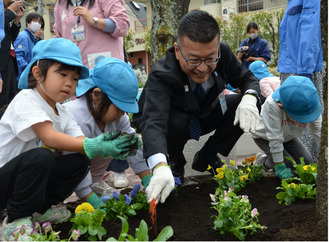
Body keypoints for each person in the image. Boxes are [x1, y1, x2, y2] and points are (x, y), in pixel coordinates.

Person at [0, 38, 140, 241]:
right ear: (38, 74)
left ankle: (40, 209)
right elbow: (49, 137)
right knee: (42, 156)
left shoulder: (63, 111)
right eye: (62, 74)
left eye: (75, 79)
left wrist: (108, 145)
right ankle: (15, 221)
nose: (69, 83)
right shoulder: (26, 99)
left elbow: (80, 142)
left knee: (79, 161)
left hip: (23, 182)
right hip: (4, 181)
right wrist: (95, 144)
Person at [133, 10, 262, 204]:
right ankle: (175, 160)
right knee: (175, 121)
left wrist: (250, 98)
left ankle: (207, 155)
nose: (202, 68)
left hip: (205, 111)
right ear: (177, 50)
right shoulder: (162, 74)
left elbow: (247, 78)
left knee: (239, 103)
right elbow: (153, 121)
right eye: (193, 60)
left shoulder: (223, 54)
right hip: (174, 121)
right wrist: (159, 165)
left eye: (210, 58)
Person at [64, 57, 151, 208]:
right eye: (119, 107)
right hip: (61, 173)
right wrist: (91, 200)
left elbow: (132, 146)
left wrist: (149, 181)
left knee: (120, 141)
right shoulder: (78, 117)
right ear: (97, 96)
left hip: (87, 172)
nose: (122, 113)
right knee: (81, 156)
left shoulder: (118, 117)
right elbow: (73, 163)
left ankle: (95, 182)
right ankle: (55, 200)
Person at [277, 0, 323, 161]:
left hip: (301, 71)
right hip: (291, 68)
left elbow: (310, 28)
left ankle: (309, 172)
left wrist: (304, 75)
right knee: (290, 126)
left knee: (305, 125)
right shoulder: (292, 2)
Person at [251, 76, 322, 179]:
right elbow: (274, 137)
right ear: (282, 106)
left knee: (306, 161)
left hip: (288, 136)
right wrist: (279, 165)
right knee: (287, 163)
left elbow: (319, 133)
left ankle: (274, 158)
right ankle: (263, 161)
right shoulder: (272, 105)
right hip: (264, 136)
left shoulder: (310, 104)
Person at [53, 0, 130, 69]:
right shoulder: (60, 4)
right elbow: (59, 36)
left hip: (106, 70)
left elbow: (122, 24)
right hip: (76, 72)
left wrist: (93, 21)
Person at [0, 0, 25, 118]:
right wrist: (10, 11)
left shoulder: (3, 12)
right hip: (2, 64)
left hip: (9, 61)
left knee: (11, 98)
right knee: (2, 99)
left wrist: (16, 21)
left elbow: (9, 38)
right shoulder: (4, 13)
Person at [14, 12, 45, 81]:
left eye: (40, 23)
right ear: (28, 22)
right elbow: (18, 57)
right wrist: (29, 69)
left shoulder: (33, 39)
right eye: (35, 21)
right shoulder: (23, 37)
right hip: (21, 77)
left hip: (28, 76)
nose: (37, 24)